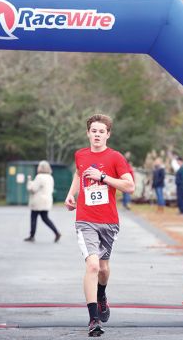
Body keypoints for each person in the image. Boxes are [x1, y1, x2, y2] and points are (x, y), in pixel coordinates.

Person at [64, 114, 135, 337]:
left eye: (101, 131)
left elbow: (130, 187)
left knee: (103, 269)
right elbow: (78, 174)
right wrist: (70, 194)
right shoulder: (80, 155)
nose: (97, 135)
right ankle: (94, 319)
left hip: (109, 221)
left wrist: (103, 177)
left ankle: (101, 294)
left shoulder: (115, 158)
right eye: (93, 131)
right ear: (88, 133)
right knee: (92, 266)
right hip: (85, 219)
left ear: (108, 134)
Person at [24, 160, 61, 243]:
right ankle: (56, 232)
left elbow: (33, 189)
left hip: (38, 201)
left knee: (33, 218)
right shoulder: (50, 177)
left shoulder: (39, 176)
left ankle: (32, 236)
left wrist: (29, 181)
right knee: (45, 218)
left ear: (40, 168)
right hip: (47, 201)